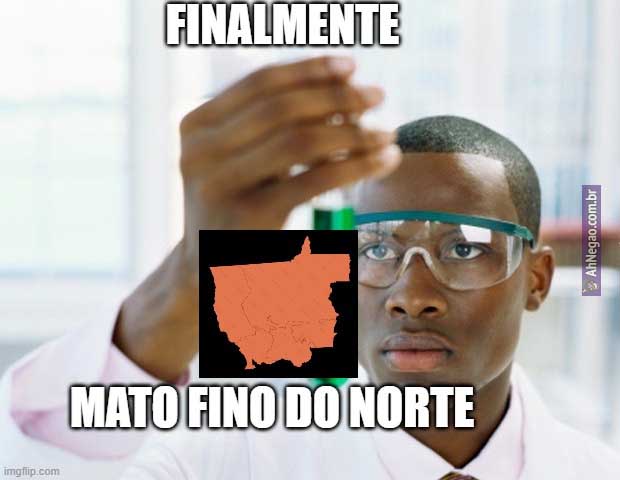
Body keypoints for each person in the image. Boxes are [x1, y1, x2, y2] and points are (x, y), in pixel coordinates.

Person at [1, 56, 618, 479]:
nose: (411, 295)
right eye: (376, 249)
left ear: (537, 279)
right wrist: (189, 280)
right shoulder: (235, 456)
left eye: (463, 249)